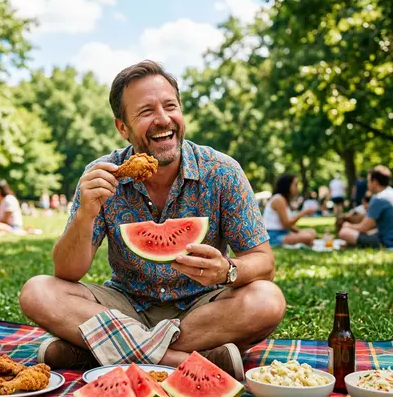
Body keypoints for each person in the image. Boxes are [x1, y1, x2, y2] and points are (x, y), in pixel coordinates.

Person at [19, 60, 286, 378]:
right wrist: (85, 213)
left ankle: (97, 351)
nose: (163, 119)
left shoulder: (222, 171)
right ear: (123, 127)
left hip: (203, 308)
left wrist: (226, 270)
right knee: (37, 291)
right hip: (124, 304)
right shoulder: (103, 176)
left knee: (267, 300)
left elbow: (263, 262)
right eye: (146, 112)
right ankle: (178, 361)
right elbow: (67, 271)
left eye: (170, 106)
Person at [339, 166, 393, 248]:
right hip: (385, 234)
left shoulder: (379, 198)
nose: (367, 184)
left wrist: (348, 225)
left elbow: (364, 227)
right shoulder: (390, 193)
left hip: (386, 241)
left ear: (374, 182)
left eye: (368, 181)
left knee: (344, 232)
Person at [263, 174, 317, 247]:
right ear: (287, 186)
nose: (297, 188)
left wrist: (299, 232)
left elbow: (288, 225)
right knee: (308, 237)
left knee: (311, 232)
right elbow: (286, 224)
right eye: (295, 185)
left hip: (283, 232)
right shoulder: (279, 200)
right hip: (274, 236)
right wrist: (304, 212)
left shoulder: (283, 199)